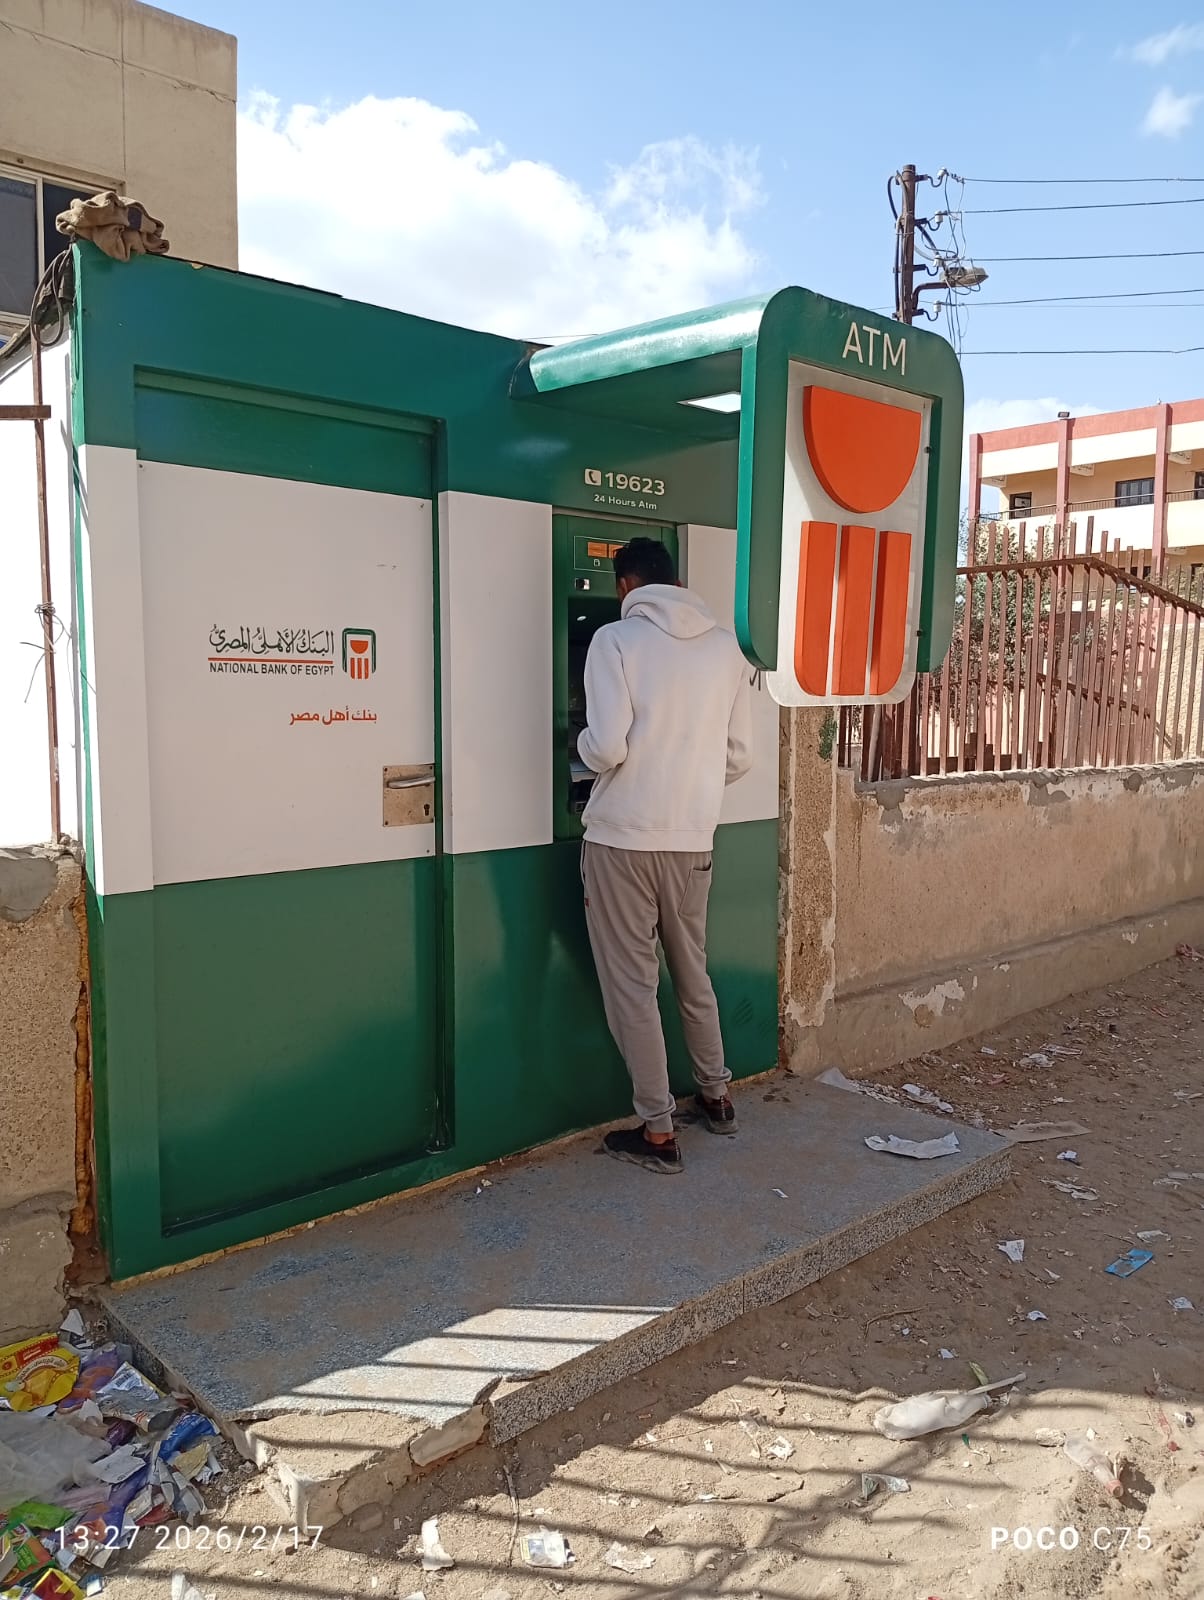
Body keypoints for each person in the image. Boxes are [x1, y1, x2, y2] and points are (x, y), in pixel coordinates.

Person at [577, 536, 753, 1175]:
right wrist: (687, 785)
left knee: (634, 987)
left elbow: (607, 747)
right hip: (692, 841)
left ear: (626, 586)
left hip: (622, 841)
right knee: (692, 972)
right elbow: (739, 757)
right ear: (675, 582)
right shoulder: (727, 648)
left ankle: (657, 1131)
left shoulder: (614, 641)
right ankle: (717, 1096)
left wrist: (581, 750)